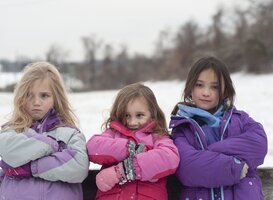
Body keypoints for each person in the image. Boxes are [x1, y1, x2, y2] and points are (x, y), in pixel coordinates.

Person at [169, 56, 268, 200]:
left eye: (214, 87)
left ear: (225, 90)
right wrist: (233, 166)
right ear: (190, 87)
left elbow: (258, 145)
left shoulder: (240, 120)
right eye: (199, 85)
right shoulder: (182, 128)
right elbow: (188, 169)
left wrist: (204, 155)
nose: (206, 92)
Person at [0, 62, 89, 200]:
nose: (36, 102)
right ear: (21, 97)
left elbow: (78, 167)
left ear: (56, 98)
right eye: (29, 95)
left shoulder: (70, 133)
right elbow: (9, 152)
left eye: (44, 95)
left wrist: (30, 168)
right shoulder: (11, 131)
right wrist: (52, 146)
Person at [87, 83, 180, 200]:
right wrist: (131, 149)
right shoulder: (113, 133)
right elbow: (93, 147)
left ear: (152, 113)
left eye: (139, 115)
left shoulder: (158, 136)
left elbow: (169, 158)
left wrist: (122, 171)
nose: (132, 122)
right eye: (126, 115)